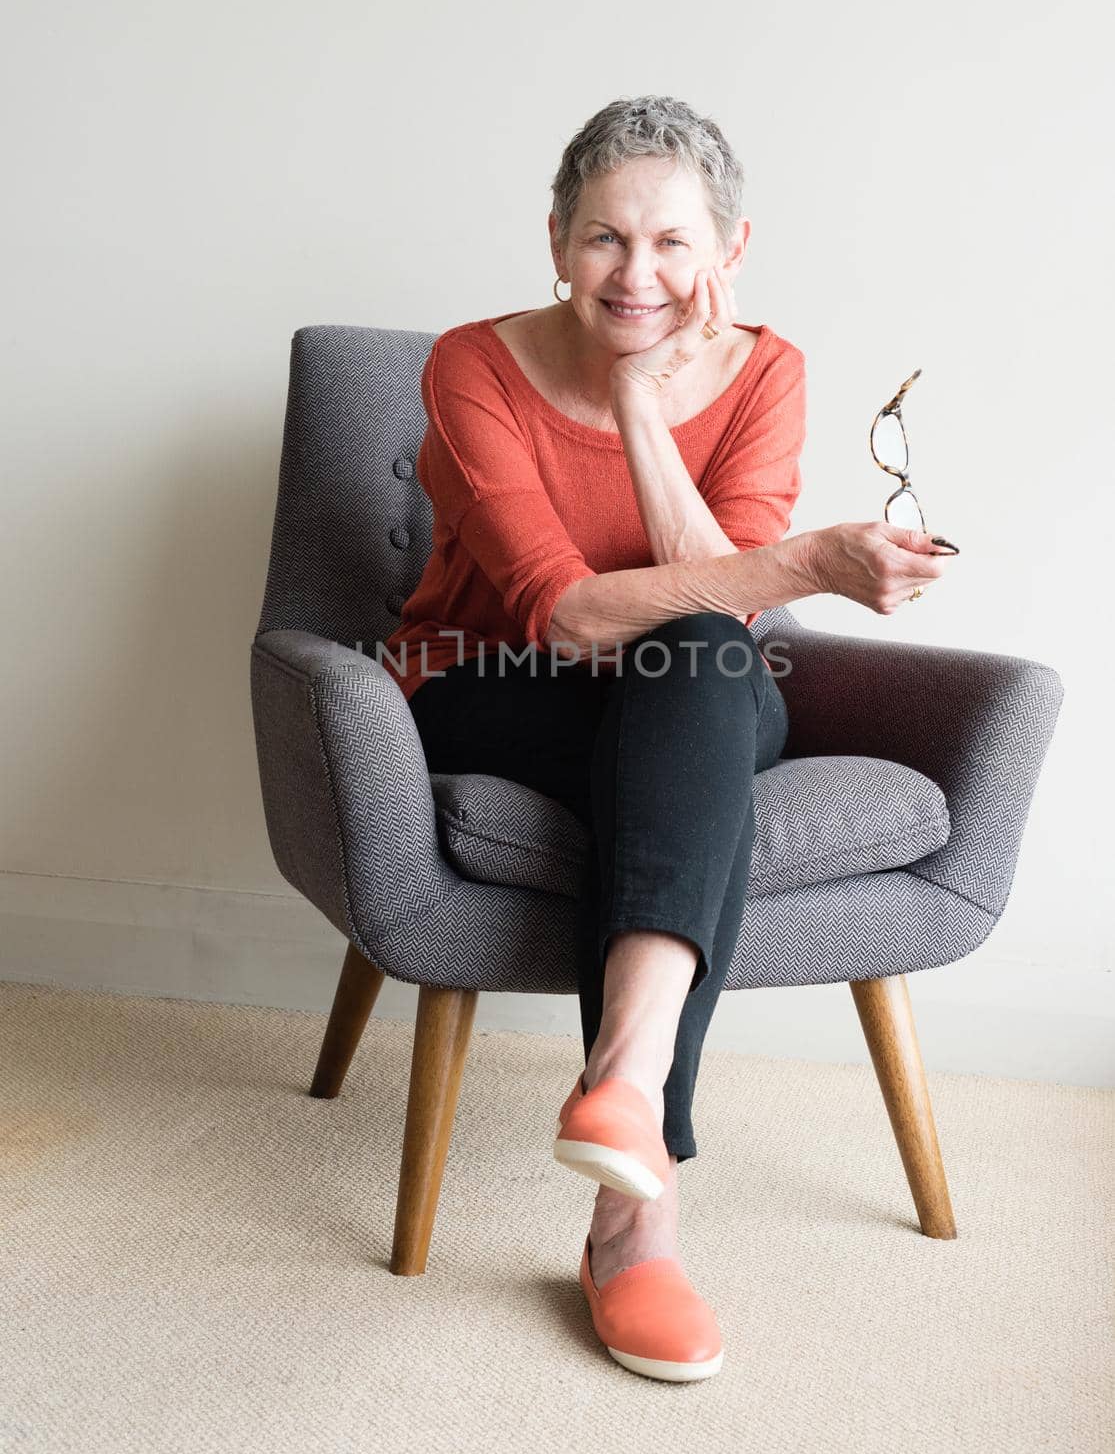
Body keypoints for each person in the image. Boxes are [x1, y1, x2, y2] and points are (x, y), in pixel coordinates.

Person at [379, 95, 955, 1380]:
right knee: (678, 645)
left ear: (730, 251)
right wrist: (800, 559)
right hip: (497, 683)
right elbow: (567, 615)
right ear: (552, 238)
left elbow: (720, 605)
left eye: (672, 245)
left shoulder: (767, 371)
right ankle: (636, 1223)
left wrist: (644, 409)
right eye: (601, 240)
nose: (635, 276)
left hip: (691, 689)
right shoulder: (472, 366)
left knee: (694, 645)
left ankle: (622, 1095)